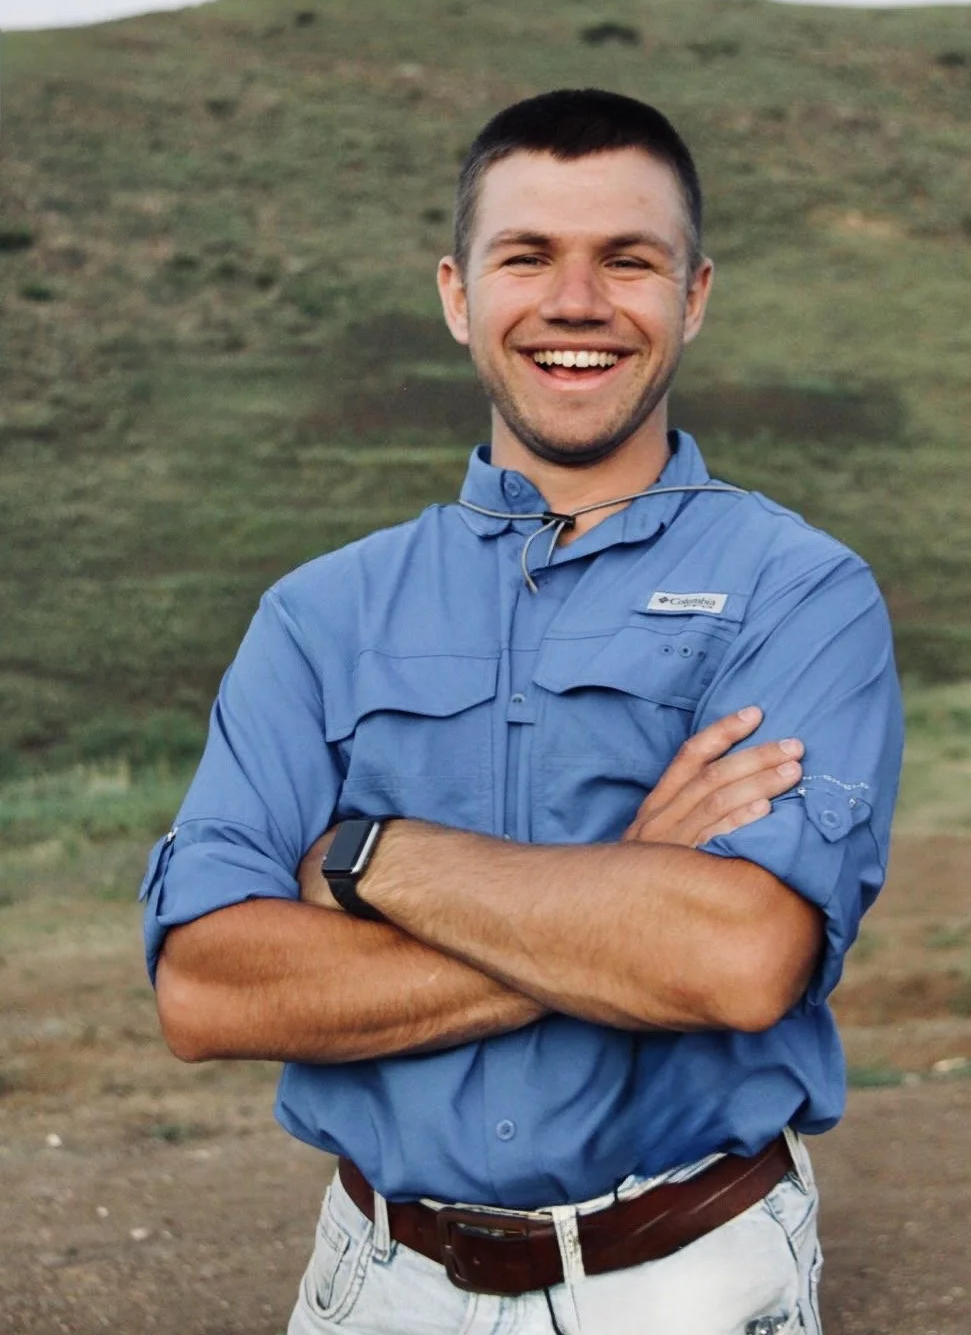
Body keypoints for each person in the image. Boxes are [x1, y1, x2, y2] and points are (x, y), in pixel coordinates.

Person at [142, 88, 903, 1335]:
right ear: (456, 293)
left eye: (628, 260)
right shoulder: (317, 614)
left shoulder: (799, 590)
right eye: (527, 256)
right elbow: (209, 991)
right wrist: (623, 891)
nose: (576, 303)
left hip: (688, 1280)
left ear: (693, 296)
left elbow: (734, 958)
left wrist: (363, 858)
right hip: (376, 1283)